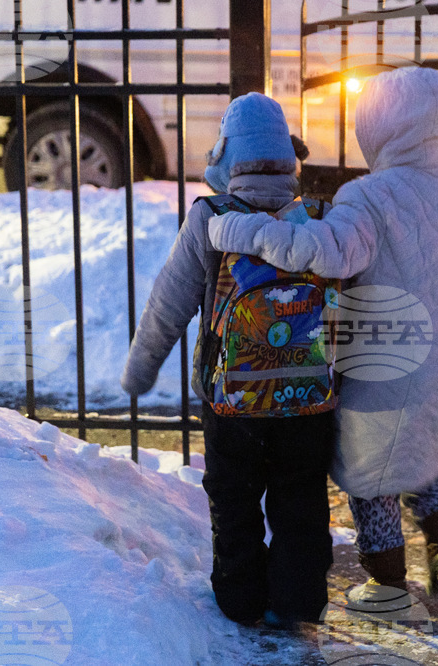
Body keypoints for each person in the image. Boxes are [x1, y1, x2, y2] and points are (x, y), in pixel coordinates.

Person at [206, 67, 438, 596]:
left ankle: (388, 580)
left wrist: (246, 230)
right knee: (421, 447)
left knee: (368, 466)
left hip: (395, 354)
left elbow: (324, 253)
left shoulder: (368, 197)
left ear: (379, 127)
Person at [120, 92, 335, 628]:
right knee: (301, 496)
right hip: (308, 401)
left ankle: (240, 598)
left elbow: (168, 305)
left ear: (226, 154)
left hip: (230, 402)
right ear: (289, 153)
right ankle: (299, 599)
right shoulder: (316, 220)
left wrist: (140, 368)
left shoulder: (210, 217)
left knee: (234, 500)